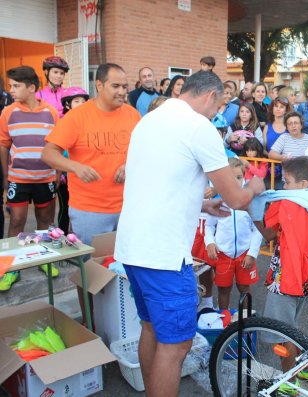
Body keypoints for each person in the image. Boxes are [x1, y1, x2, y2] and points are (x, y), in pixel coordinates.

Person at [113, 70, 265, 397]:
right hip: (164, 254)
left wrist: (201, 206)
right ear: (210, 96)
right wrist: (254, 185)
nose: (217, 113)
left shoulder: (149, 120)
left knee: (151, 328)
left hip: (132, 246)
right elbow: (237, 198)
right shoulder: (199, 127)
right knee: (177, 344)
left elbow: (163, 180)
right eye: (219, 105)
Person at [42, 63, 141, 247]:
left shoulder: (133, 115)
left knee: (124, 267)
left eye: (125, 86)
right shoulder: (77, 116)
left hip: (128, 206)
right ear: (99, 85)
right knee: (94, 269)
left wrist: (129, 165)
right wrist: (75, 167)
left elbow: (145, 151)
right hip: (90, 210)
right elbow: (48, 153)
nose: (122, 92)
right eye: (116, 86)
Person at [253, 157, 308, 392]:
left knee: (282, 333)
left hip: (284, 280)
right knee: (292, 327)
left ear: (303, 184)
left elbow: (268, 233)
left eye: (287, 182)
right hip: (303, 278)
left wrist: (252, 212)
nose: (283, 187)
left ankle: (288, 382)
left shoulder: (288, 205)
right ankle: (307, 369)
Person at [0, 66, 59, 291]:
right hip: (18, 178)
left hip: (45, 178)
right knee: (16, 221)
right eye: (10, 85)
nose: (11, 90)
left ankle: (44, 260)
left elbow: (58, 146)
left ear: (31, 87)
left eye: (16, 86)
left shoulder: (51, 112)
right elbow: (4, 146)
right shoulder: (8, 112)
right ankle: (10, 267)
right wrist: (6, 178)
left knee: (45, 221)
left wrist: (57, 173)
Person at [204, 158, 262, 310]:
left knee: (244, 288)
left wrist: (252, 253)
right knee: (223, 289)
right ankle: (224, 321)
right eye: (231, 178)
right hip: (223, 254)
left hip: (245, 253)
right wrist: (209, 242)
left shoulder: (250, 201)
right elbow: (209, 226)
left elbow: (258, 230)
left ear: (244, 177)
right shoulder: (218, 201)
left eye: (239, 177)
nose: (236, 181)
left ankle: (247, 321)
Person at [56, 87, 90, 234]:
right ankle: (62, 237)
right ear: (67, 105)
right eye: (77, 101)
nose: (81, 104)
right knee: (66, 208)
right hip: (65, 175)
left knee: (83, 211)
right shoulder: (62, 123)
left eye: (83, 101)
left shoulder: (89, 122)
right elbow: (55, 152)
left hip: (84, 175)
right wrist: (57, 175)